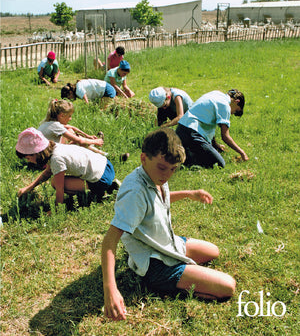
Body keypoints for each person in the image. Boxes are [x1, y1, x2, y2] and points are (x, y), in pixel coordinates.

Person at [101, 128, 236, 321]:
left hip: (167, 242)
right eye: (163, 168)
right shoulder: (134, 193)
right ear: (143, 158)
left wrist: (190, 193)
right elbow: (109, 242)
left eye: (173, 169)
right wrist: (110, 289)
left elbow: (158, 200)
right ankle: (165, 284)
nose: (167, 175)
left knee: (213, 251)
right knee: (227, 286)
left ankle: (183, 272)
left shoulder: (154, 175)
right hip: (155, 263)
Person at [16, 128, 120, 205]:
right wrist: (29, 188)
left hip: (101, 179)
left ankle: (99, 194)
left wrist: (56, 209)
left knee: (54, 183)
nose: (29, 162)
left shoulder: (56, 159)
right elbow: (48, 172)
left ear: (36, 153)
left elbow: (59, 188)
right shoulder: (55, 147)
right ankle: (111, 186)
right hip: (106, 165)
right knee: (56, 180)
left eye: (28, 158)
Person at [176, 89, 249, 168]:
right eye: (235, 111)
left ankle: (186, 155)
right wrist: (242, 153)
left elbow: (209, 124)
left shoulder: (216, 93)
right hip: (192, 133)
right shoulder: (225, 106)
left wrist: (215, 145)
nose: (232, 113)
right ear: (237, 101)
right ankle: (188, 161)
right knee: (220, 164)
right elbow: (225, 136)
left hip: (180, 129)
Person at [38, 99, 106, 155]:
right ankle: (102, 154)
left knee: (71, 131)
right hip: (47, 158)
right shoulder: (56, 126)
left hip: (44, 153)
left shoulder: (49, 123)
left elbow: (71, 127)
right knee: (77, 141)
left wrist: (88, 136)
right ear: (62, 115)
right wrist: (95, 141)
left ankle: (96, 150)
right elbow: (80, 141)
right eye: (69, 116)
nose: (70, 119)